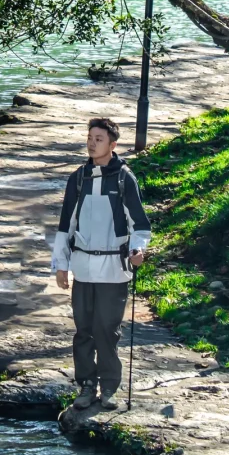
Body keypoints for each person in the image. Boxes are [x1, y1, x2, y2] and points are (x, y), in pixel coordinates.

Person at [51, 116, 151, 411]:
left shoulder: (124, 179)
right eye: (90, 137)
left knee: (107, 330)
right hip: (82, 269)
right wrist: (61, 265)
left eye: (99, 139)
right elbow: (64, 225)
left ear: (112, 144)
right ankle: (86, 386)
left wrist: (137, 250)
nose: (92, 143)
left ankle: (109, 387)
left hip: (114, 270)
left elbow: (140, 225)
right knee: (83, 330)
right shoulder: (78, 178)